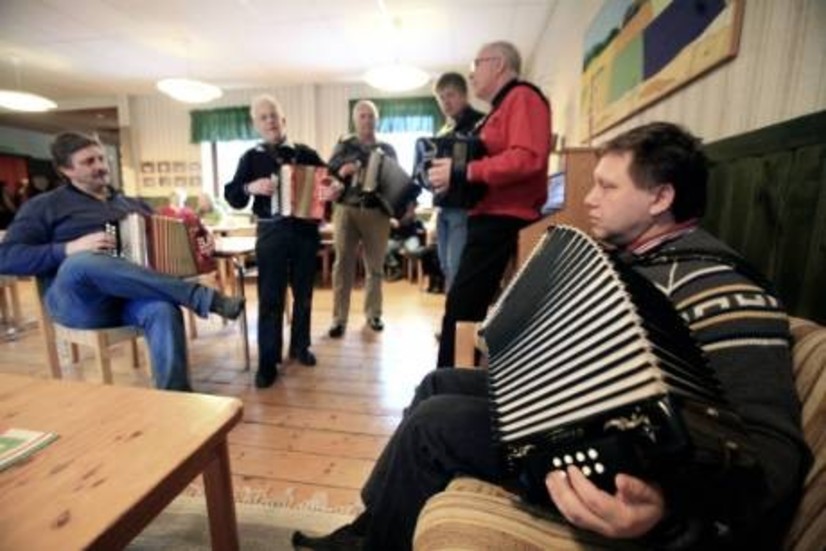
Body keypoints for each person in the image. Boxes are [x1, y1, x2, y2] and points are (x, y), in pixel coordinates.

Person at [292, 122, 811, 551]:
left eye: (607, 186)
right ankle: (369, 531)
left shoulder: (723, 289)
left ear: (661, 197)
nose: (588, 198)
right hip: (577, 419)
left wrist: (670, 513)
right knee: (438, 382)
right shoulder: (634, 263)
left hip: (623, 471)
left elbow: (775, 456)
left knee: (434, 425)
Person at [0, 132, 244, 392]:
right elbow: (6, 257)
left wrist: (202, 243)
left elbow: (170, 239)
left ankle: (175, 395)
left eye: (101, 158)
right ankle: (205, 299)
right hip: (80, 303)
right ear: (65, 170)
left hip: (129, 300)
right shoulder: (44, 206)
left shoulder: (131, 203)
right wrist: (67, 249)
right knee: (82, 262)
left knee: (163, 308)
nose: (101, 166)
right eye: (89, 161)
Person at [429, 41, 552, 368]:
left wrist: (465, 170)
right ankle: (452, 379)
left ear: (498, 64)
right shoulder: (501, 107)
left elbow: (528, 158)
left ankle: (446, 385)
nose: (472, 72)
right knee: (461, 307)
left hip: (504, 219)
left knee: (461, 310)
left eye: (476, 63)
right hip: (488, 218)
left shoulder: (523, 97)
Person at [224, 95, 326, 389]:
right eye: (263, 117)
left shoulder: (305, 153)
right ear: (256, 124)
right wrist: (249, 186)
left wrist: (334, 188)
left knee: (304, 293)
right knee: (270, 299)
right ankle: (268, 361)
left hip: (305, 232)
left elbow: (328, 182)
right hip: (271, 232)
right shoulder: (251, 157)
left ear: (284, 120)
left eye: (274, 115)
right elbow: (233, 194)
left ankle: (300, 346)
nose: (269, 121)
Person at [326, 100, 396, 338]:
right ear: (355, 120)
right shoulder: (343, 145)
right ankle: (338, 318)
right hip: (346, 209)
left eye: (371, 116)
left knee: (375, 267)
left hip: (377, 212)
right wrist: (341, 171)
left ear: (377, 120)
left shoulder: (387, 148)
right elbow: (327, 172)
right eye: (362, 116)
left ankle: (373, 314)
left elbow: (396, 183)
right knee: (342, 265)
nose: (367, 120)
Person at [431, 72, 485, 291]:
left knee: (456, 268)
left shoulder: (481, 124)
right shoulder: (445, 130)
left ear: (464, 95)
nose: (446, 102)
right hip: (443, 207)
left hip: (464, 208)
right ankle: (451, 322)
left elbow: (481, 165)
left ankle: (451, 324)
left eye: (450, 95)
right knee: (445, 266)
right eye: (442, 98)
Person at [384, 200, 426, 281]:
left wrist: (398, 223)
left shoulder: (409, 203)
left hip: (410, 237)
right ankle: (396, 268)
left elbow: (409, 217)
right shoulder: (389, 206)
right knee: (382, 249)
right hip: (396, 239)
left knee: (413, 251)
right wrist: (388, 220)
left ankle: (424, 254)